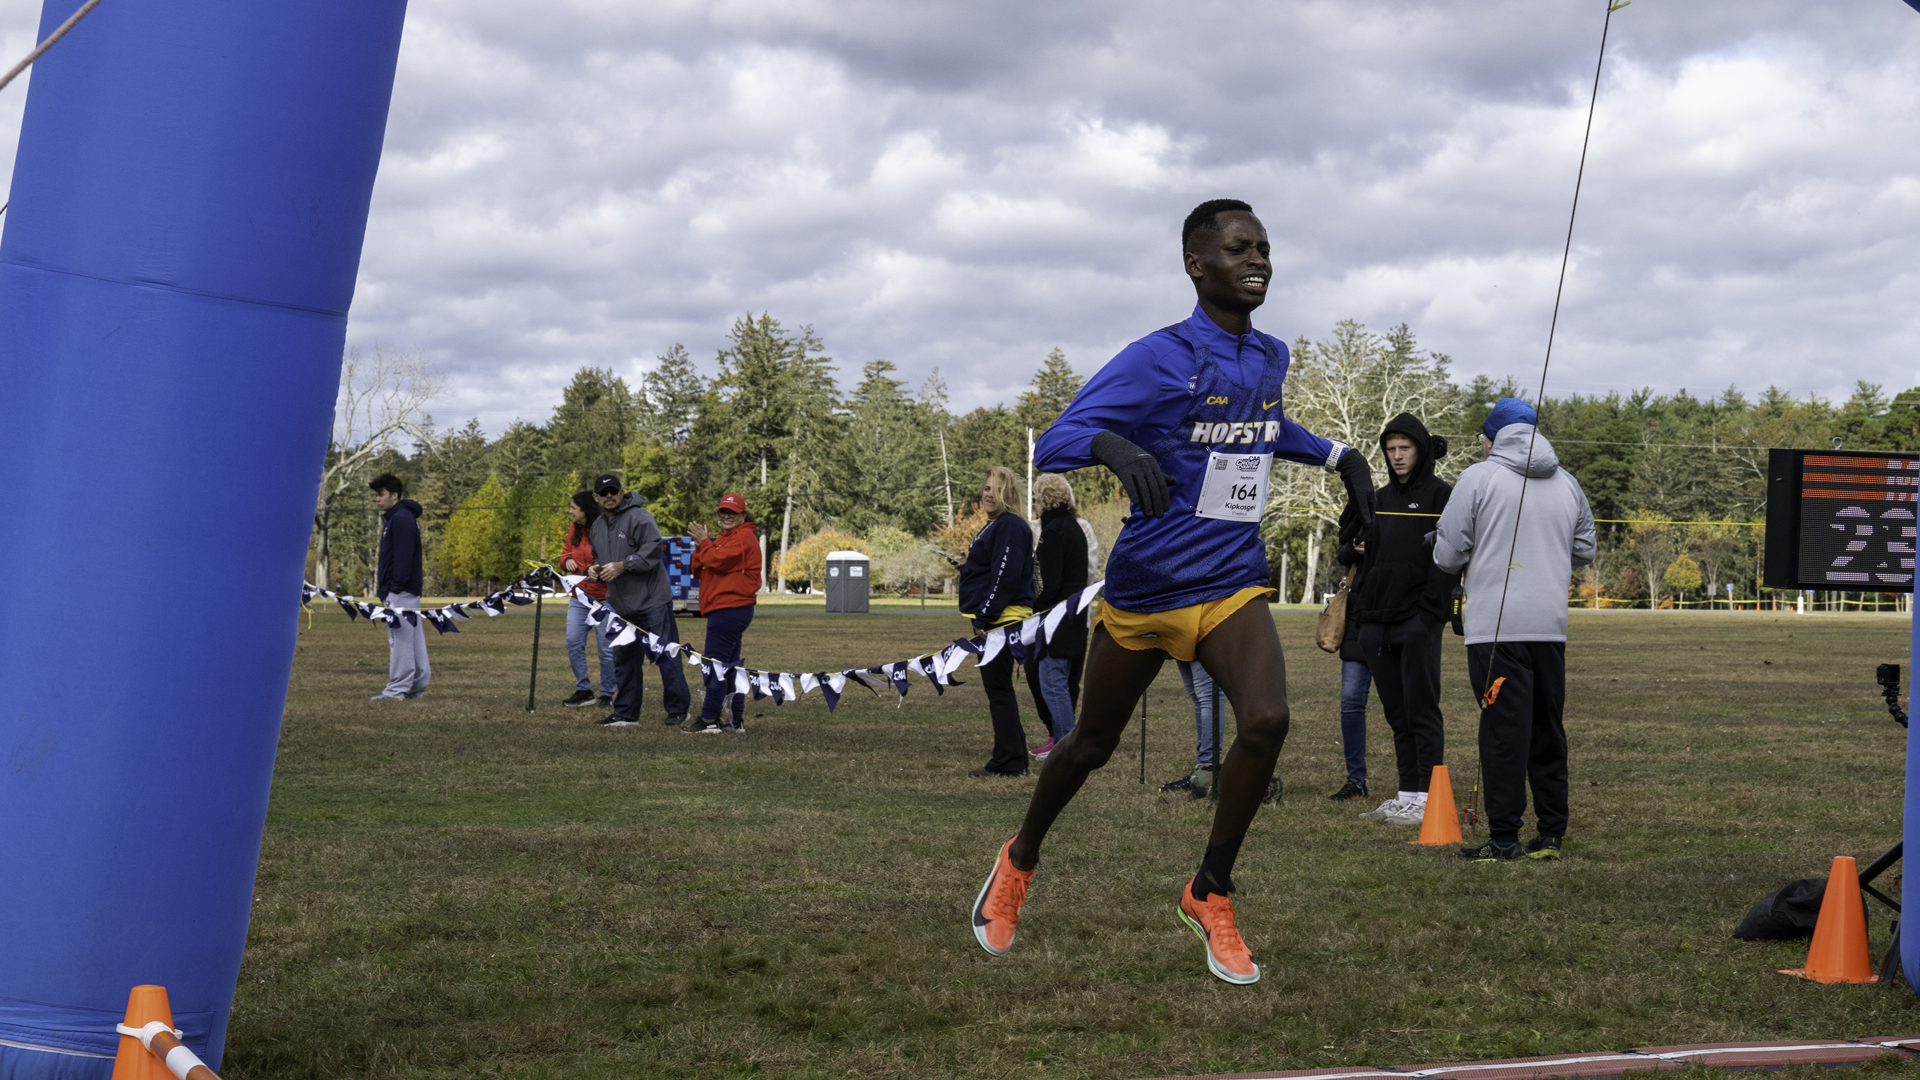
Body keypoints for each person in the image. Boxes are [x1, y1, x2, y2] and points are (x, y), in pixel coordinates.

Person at [969, 199, 1375, 985]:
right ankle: (1018, 860)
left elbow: (1262, 425)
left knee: (1267, 721)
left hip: (1231, 579)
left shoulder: (1270, 355)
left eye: (1263, 247)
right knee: (1091, 745)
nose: (1256, 259)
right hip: (1149, 587)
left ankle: (1209, 891)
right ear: (1197, 265)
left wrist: (1339, 458)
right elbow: (1056, 439)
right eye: (1237, 248)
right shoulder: (1157, 357)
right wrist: (1115, 445)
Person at [1433, 398, 1596, 863]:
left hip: (1495, 631)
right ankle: (1550, 835)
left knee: (1504, 730)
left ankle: (1504, 837)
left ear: (1491, 439)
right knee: (1547, 728)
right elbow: (1584, 548)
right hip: (1550, 627)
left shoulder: (1478, 477)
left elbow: (1447, 554)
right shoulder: (1567, 482)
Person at [1352, 414, 1456, 826]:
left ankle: (1429, 799)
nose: (1397, 456)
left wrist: (1429, 611)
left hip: (1417, 621)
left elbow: (1448, 559)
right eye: (1391, 449)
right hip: (1377, 621)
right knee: (1396, 713)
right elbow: (1368, 558)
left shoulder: (1441, 496)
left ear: (1421, 449)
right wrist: (1362, 609)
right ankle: (1407, 794)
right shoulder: (1378, 498)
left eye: (1405, 448)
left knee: (1422, 711)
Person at [587, 473, 691, 728]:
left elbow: (654, 550)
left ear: (621, 493)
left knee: (666, 655)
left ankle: (679, 710)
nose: (610, 496)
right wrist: (594, 568)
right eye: (605, 493)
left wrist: (623, 565)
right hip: (620, 605)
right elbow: (597, 557)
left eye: (614, 491)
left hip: (652, 600)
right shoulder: (597, 526)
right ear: (596, 498)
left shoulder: (640, 517)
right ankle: (625, 713)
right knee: (624, 660)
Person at [959, 466, 1036, 777]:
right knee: (999, 689)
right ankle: (1014, 756)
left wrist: (985, 616)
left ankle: (1008, 762)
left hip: (1002, 621)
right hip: (995, 618)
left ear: (1009, 495)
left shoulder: (1010, 526)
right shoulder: (994, 526)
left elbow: (1006, 575)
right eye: (986, 488)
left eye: (996, 489)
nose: (988, 494)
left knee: (999, 690)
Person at [685, 493, 762, 735]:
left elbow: (715, 560)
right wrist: (702, 544)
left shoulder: (743, 537)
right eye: (723, 512)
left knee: (714, 665)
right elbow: (698, 566)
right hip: (727, 609)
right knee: (729, 667)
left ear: (742, 515)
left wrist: (705, 543)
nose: (727, 516)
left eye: (732, 512)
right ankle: (733, 720)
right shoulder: (726, 538)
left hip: (730, 609)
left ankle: (709, 718)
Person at [1026, 473, 1088, 761]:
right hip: (1076, 616)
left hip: (1056, 621)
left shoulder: (1053, 533)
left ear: (1044, 500)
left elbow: (1048, 584)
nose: (1035, 504)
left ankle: (1066, 748)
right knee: (1060, 683)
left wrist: (1032, 607)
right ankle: (1067, 745)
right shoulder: (1074, 528)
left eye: (1037, 498)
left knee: (1053, 685)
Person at [370, 473, 430, 701]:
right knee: (413, 640)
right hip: (404, 592)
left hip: (400, 592)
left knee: (400, 641)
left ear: (394, 495)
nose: (377, 499)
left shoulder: (402, 519)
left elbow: (403, 559)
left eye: (381, 494)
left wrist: (392, 589)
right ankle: (417, 686)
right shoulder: (397, 518)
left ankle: (396, 690)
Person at [1328, 518, 1372, 802]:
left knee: (1404, 709)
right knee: (1351, 703)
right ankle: (1355, 780)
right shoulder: (1363, 510)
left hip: (1394, 620)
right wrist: (1356, 548)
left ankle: (1414, 785)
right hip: (1356, 626)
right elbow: (1342, 553)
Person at [560, 491, 617, 709]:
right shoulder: (573, 529)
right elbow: (565, 555)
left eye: (574, 507)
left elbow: (610, 560)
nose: (570, 511)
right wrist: (567, 563)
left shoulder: (603, 529)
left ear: (585, 510)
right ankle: (584, 690)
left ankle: (607, 694)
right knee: (573, 642)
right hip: (578, 597)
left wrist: (591, 569)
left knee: (606, 649)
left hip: (605, 598)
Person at [1159, 659, 1219, 797]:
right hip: (1183, 639)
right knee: (1198, 694)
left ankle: (1207, 766)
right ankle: (1202, 769)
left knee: (1208, 694)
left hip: (1204, 638)